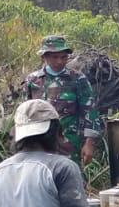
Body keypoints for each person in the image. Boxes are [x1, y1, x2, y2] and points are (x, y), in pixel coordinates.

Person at [22, 35, 103, 175]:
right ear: (44, 57)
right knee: (41, 182)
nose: (60, 61)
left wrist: (89, 143)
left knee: (70, 182)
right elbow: (24, 113)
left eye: (64, 57)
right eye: (55, 57)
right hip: (39, 144)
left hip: (69, 143)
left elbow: (90, 111)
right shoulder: (33, 80)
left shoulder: (77, 79)